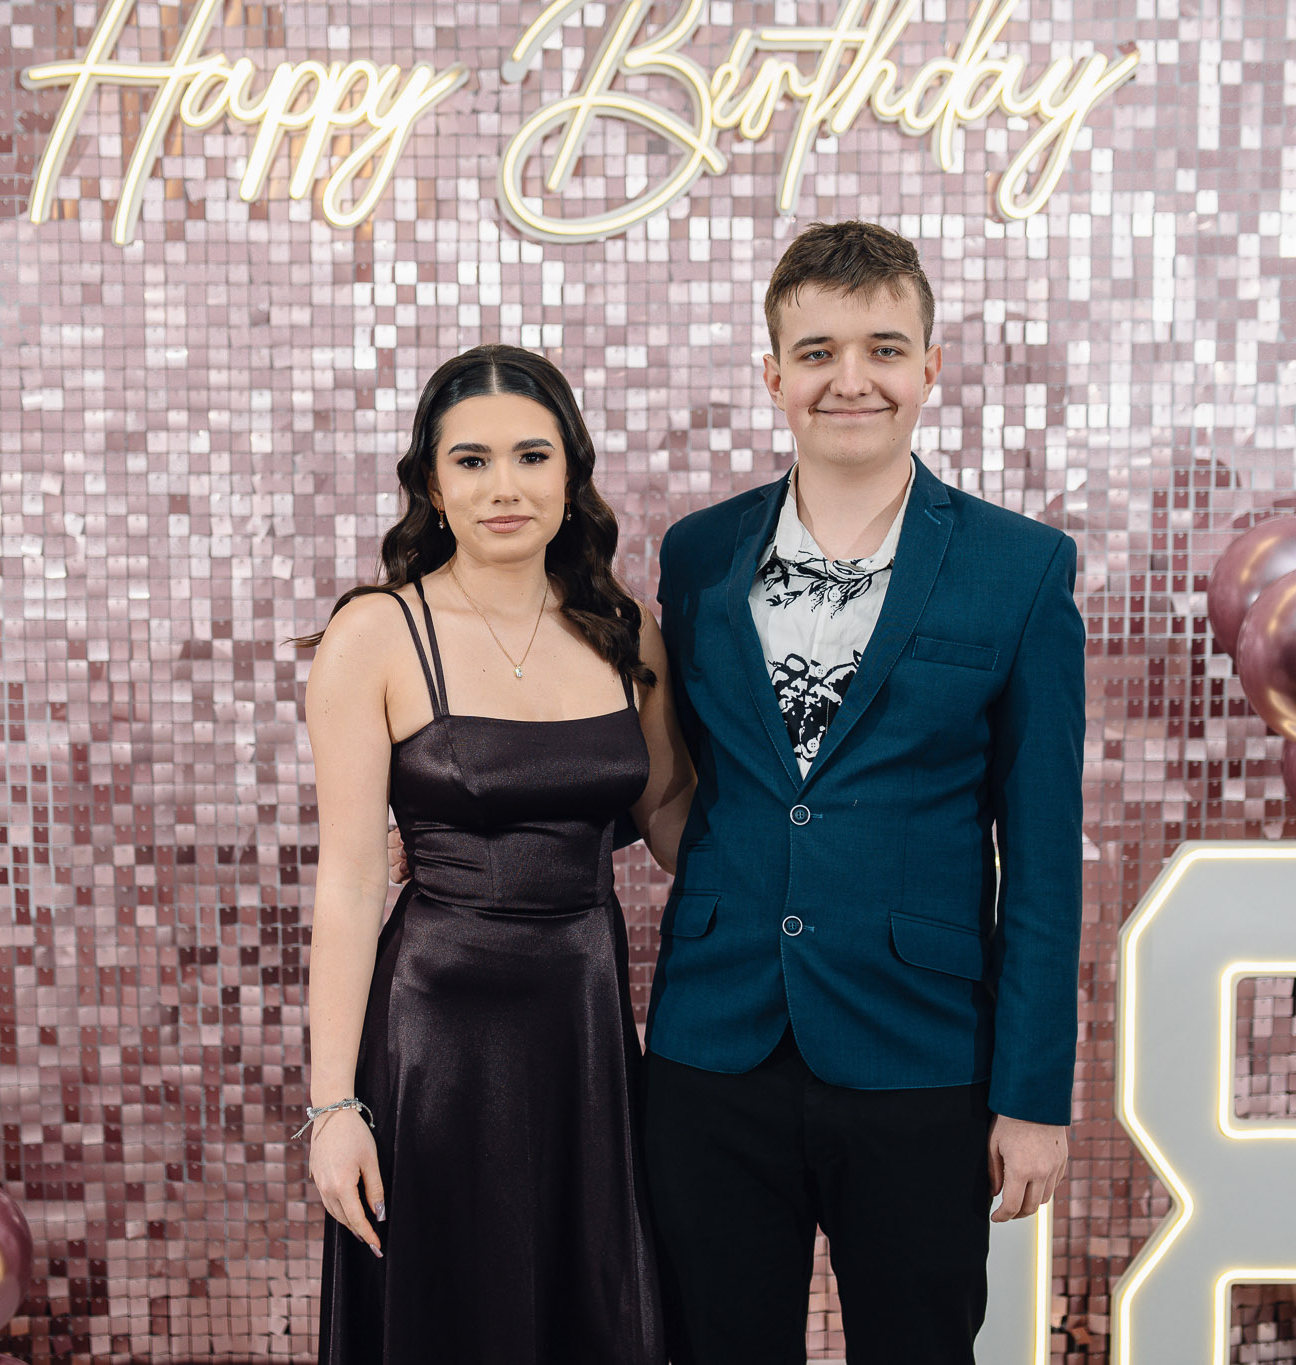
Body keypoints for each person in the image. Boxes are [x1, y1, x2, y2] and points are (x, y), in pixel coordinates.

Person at [644, 220, 1086, 1364]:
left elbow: (1043, 862)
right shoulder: (695, 556)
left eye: (883, 349)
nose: (851, 379)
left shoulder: (1019, 567)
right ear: (772, 375)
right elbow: (669, 776)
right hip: (711, 1044)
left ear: (928, 366)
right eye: (818, 352)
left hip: (919, 1052)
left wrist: (1033, 1096)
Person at [300, 344, 691, 1365]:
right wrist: (333, 1108)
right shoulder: (376, 634)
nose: (504, 487)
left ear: (571, 474)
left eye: (531, 456)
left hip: (584, 1022)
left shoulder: (625, 633)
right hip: (434, 1033)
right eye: (471, 461)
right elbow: (350, 883)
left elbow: (671, 818)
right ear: (432, 485)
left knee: (586, 1309)